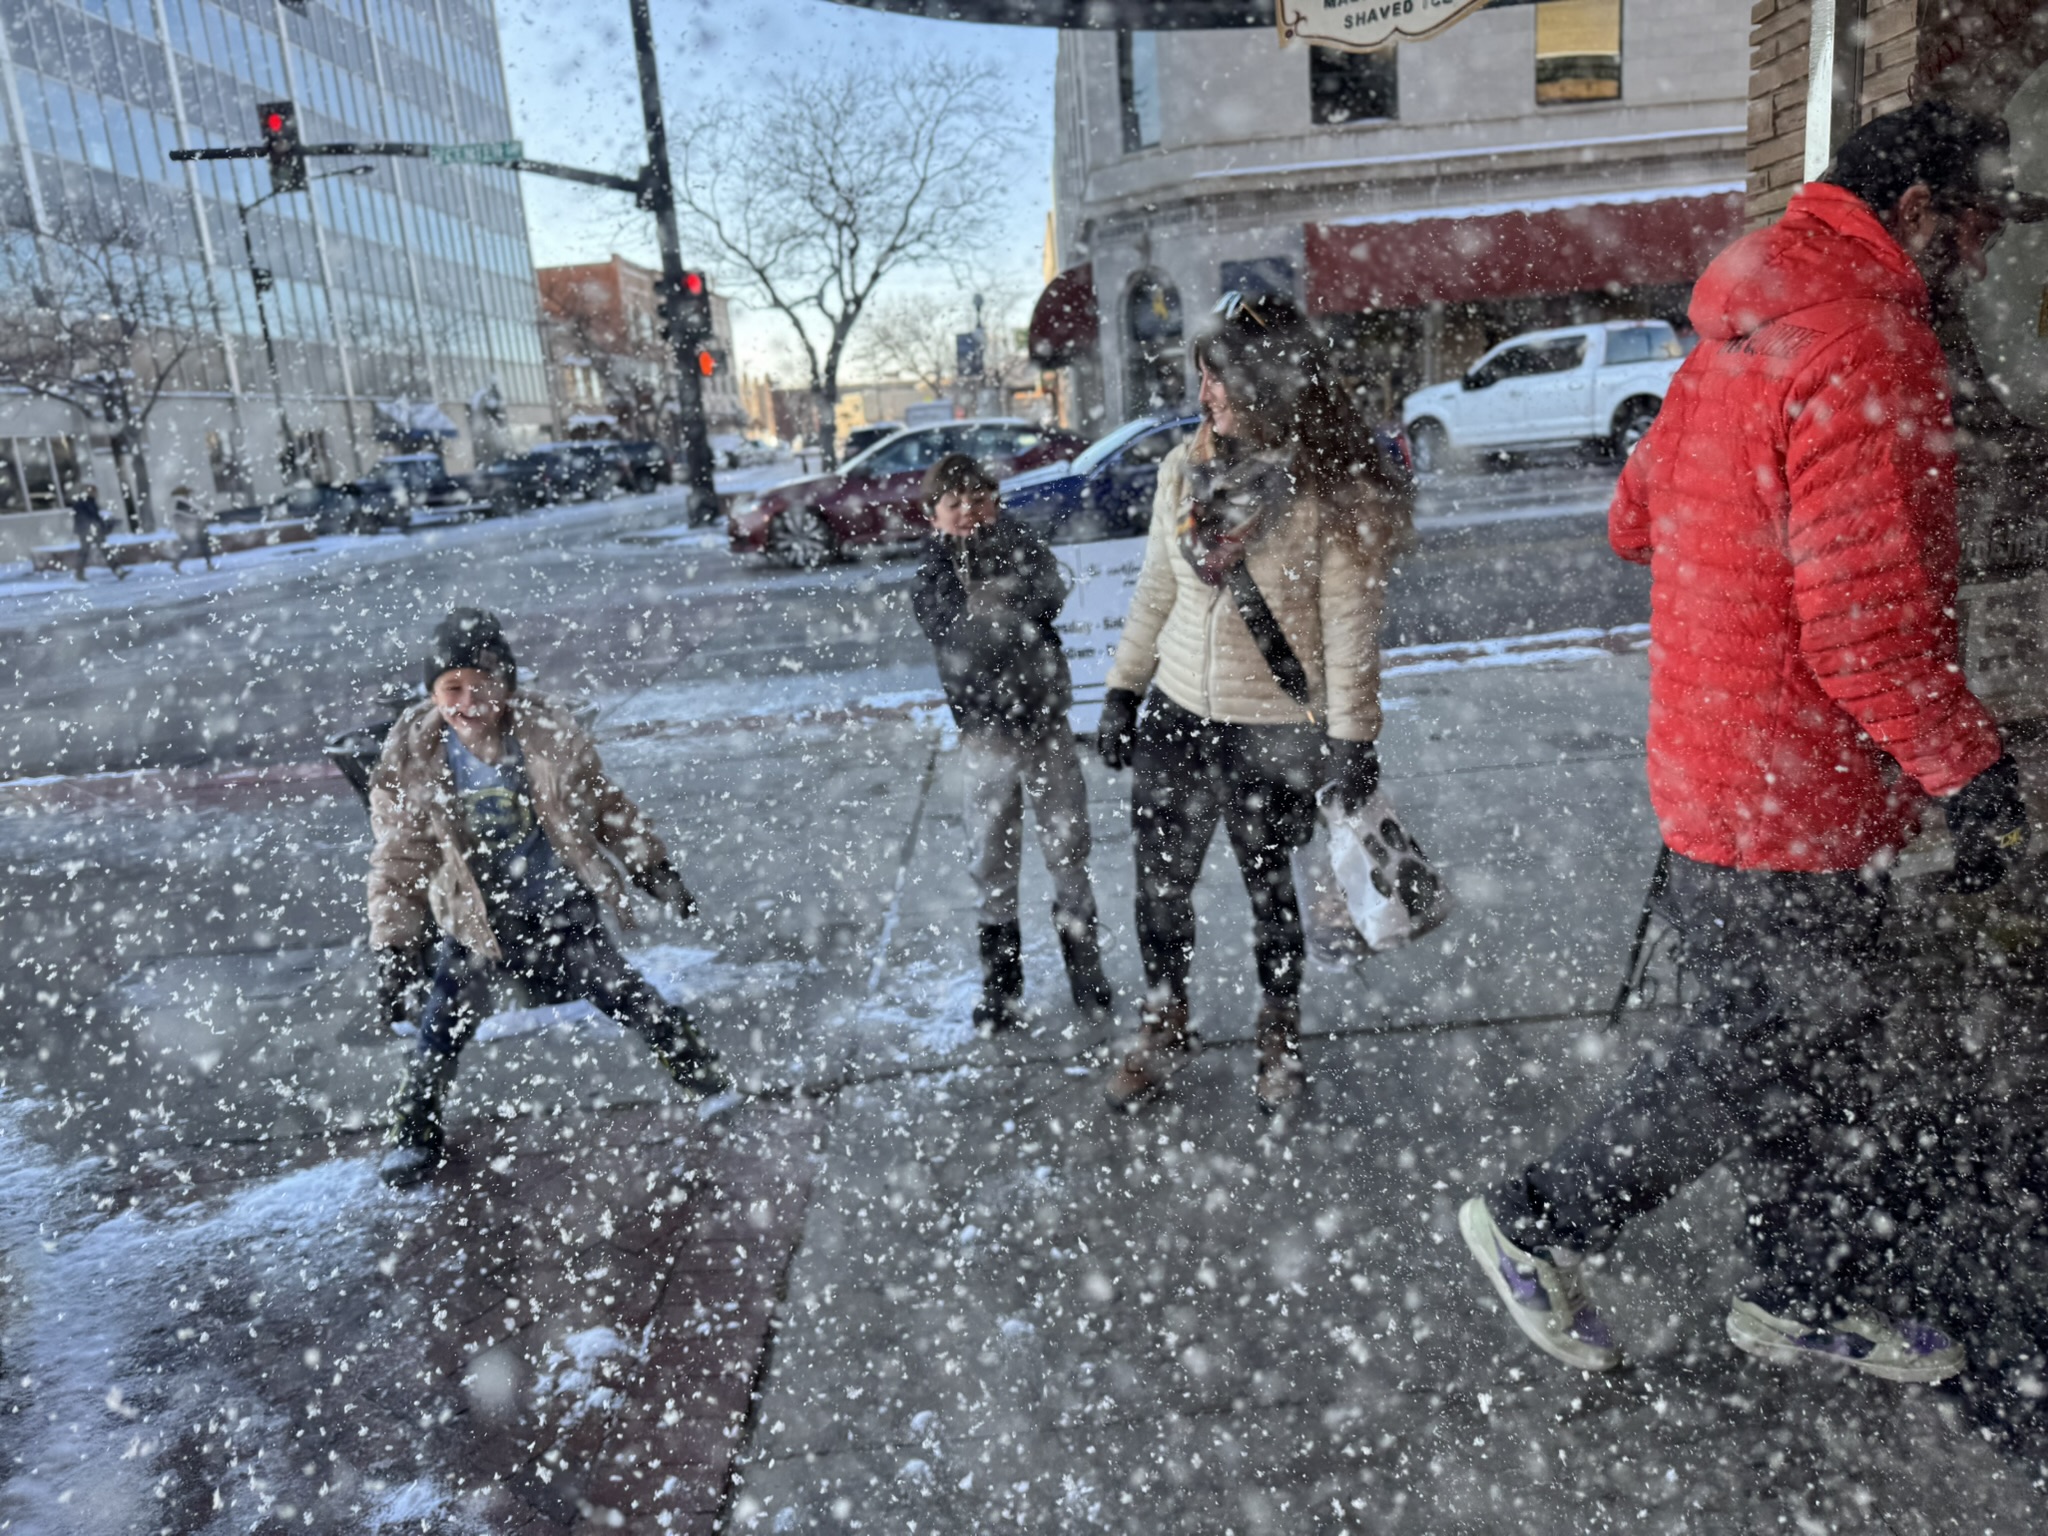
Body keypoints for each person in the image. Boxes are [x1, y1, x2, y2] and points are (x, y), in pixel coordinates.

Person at [1458, 100, 2034, 1384]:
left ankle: (1796, 1293)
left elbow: (1630, 516)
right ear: (1922, 213)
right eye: (1981, 224)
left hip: (1717, 758)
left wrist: (1734, 530)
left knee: (1808, 1048)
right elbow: (1866, 628)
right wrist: (1972, 773)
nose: (1984, 256)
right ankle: (1535, 1221)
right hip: (1791, 781)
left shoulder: (1737, 323)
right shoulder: (1864, 340)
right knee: (1761, 1048)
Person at [1095, 292, 1410, 1110]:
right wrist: (1123, 689)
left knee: (1270, 891)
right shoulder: (1180, 471)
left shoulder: (1330, 491)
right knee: (1158, 891)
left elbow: (1348, 629)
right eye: (1202, 378)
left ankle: (1278, 1031)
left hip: (1270, 729)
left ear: (1268, 383)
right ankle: (1165, 1021)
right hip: (1175, 715)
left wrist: (1352, 739)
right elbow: (1158, 587)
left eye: (1221, 380)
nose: (1207, 397)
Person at [367, 609, 730, 1188]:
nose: (467, 702)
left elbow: (606, 807)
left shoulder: (544, 736)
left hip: (559, 904)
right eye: (451, 689)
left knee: (625, 993)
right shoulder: (416, 757)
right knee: (442, 1026)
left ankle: (704, 1077)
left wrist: (652, 867)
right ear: (433, 693)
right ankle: (414, 1132)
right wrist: (394, 946)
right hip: (477, 918)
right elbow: (399, 858)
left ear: (506, 686)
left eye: (481, 686)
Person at [911, 452, 1114, 1033]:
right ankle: (1001, 986)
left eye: (979, 499)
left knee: (1068, 848)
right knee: (991, 858)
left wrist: (998, 597)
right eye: (955, 504)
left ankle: (1086, 970)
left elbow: (1050, 590)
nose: (969, 512)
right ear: (934, 514)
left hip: (1046, 723)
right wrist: (999, 606)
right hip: (987, 733)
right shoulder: (931, 572)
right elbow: (959, 636)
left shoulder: (1020, 540)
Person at [70, 487, 126, 581]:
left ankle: (118, 571)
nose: (95, 494)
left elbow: (93, 517)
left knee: (94, 551)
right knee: (93, 551)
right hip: (88, 531)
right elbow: (90, 517)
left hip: (90, 530)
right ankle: (117, 571)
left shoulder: (87, 502)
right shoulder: (85, 502)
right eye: (94, 492)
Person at [167, 486, 216, 574]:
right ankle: (176, 564)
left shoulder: (183, 502)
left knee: (200, 545)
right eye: (187, 493)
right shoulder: (181, 503)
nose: (189, 495)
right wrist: (204, 512)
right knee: (194, 546)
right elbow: (191, 514)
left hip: (194, 528)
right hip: (191, 529)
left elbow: (194, 512)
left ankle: (177, 564)